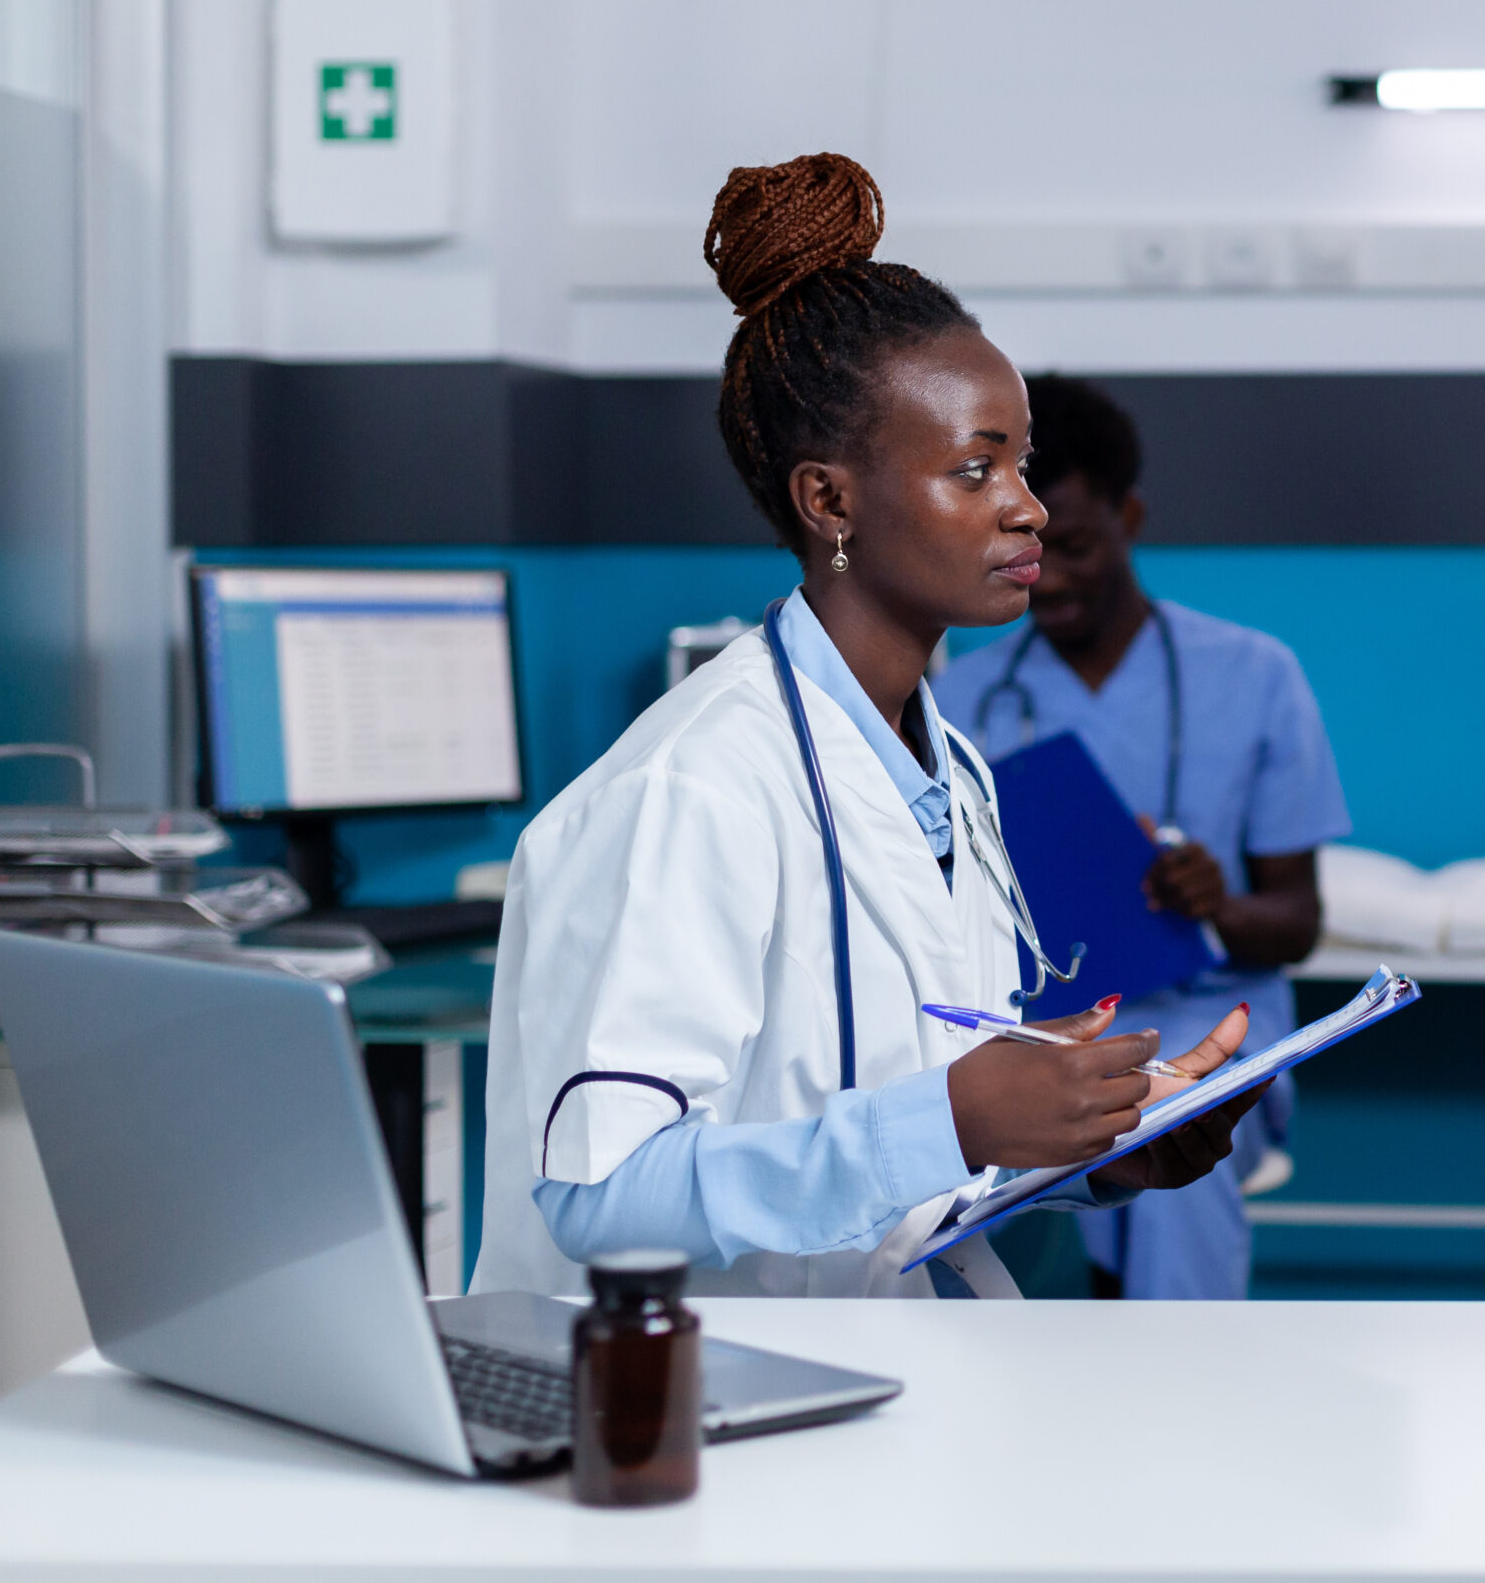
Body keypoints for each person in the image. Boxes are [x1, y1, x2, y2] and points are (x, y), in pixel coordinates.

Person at [474, 153, 1260, 1301]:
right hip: (704, 1398)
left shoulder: (953, 778)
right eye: (975, 469)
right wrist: (950, 1119)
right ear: (829, 500)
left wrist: (1101, 1148)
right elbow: (602, 1197)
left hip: (906, 1361)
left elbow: (923, 1168)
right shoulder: (689, 790)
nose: (1028, 507)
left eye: (1022, 464)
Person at [932, 375, 1352, 1300]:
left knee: (1164, 1130)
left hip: (1208, 1018)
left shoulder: (1253, 676)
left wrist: (1218, 904)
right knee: (929, 1161)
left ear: (1131, 515)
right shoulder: (956, 702)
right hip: (1023, 1026)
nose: (1054, 575)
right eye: (1027, 544)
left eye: (1076, 544)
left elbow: (1296, 923)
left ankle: (1184, 1424)